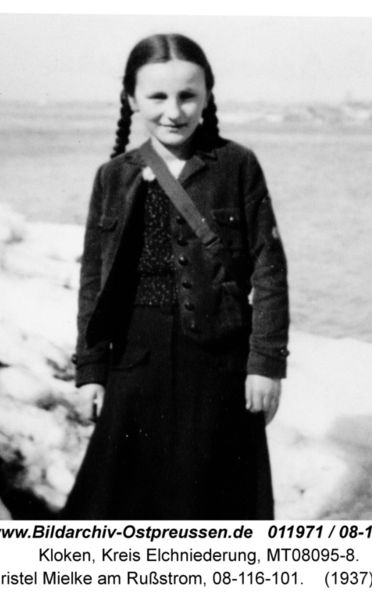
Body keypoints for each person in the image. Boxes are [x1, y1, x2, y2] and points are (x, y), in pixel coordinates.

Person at [62, 33, 289, 520]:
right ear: (131, 99)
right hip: (134, 360)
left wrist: (266, 364)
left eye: (187, 95)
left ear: (207, 95)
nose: (173, 111)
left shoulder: (237, 166)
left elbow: (270, 269)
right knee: (116, 505)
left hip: (220, 362)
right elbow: (93, 280)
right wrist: (92, 369)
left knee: (217, 503)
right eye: (157, 96)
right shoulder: (113, 175)